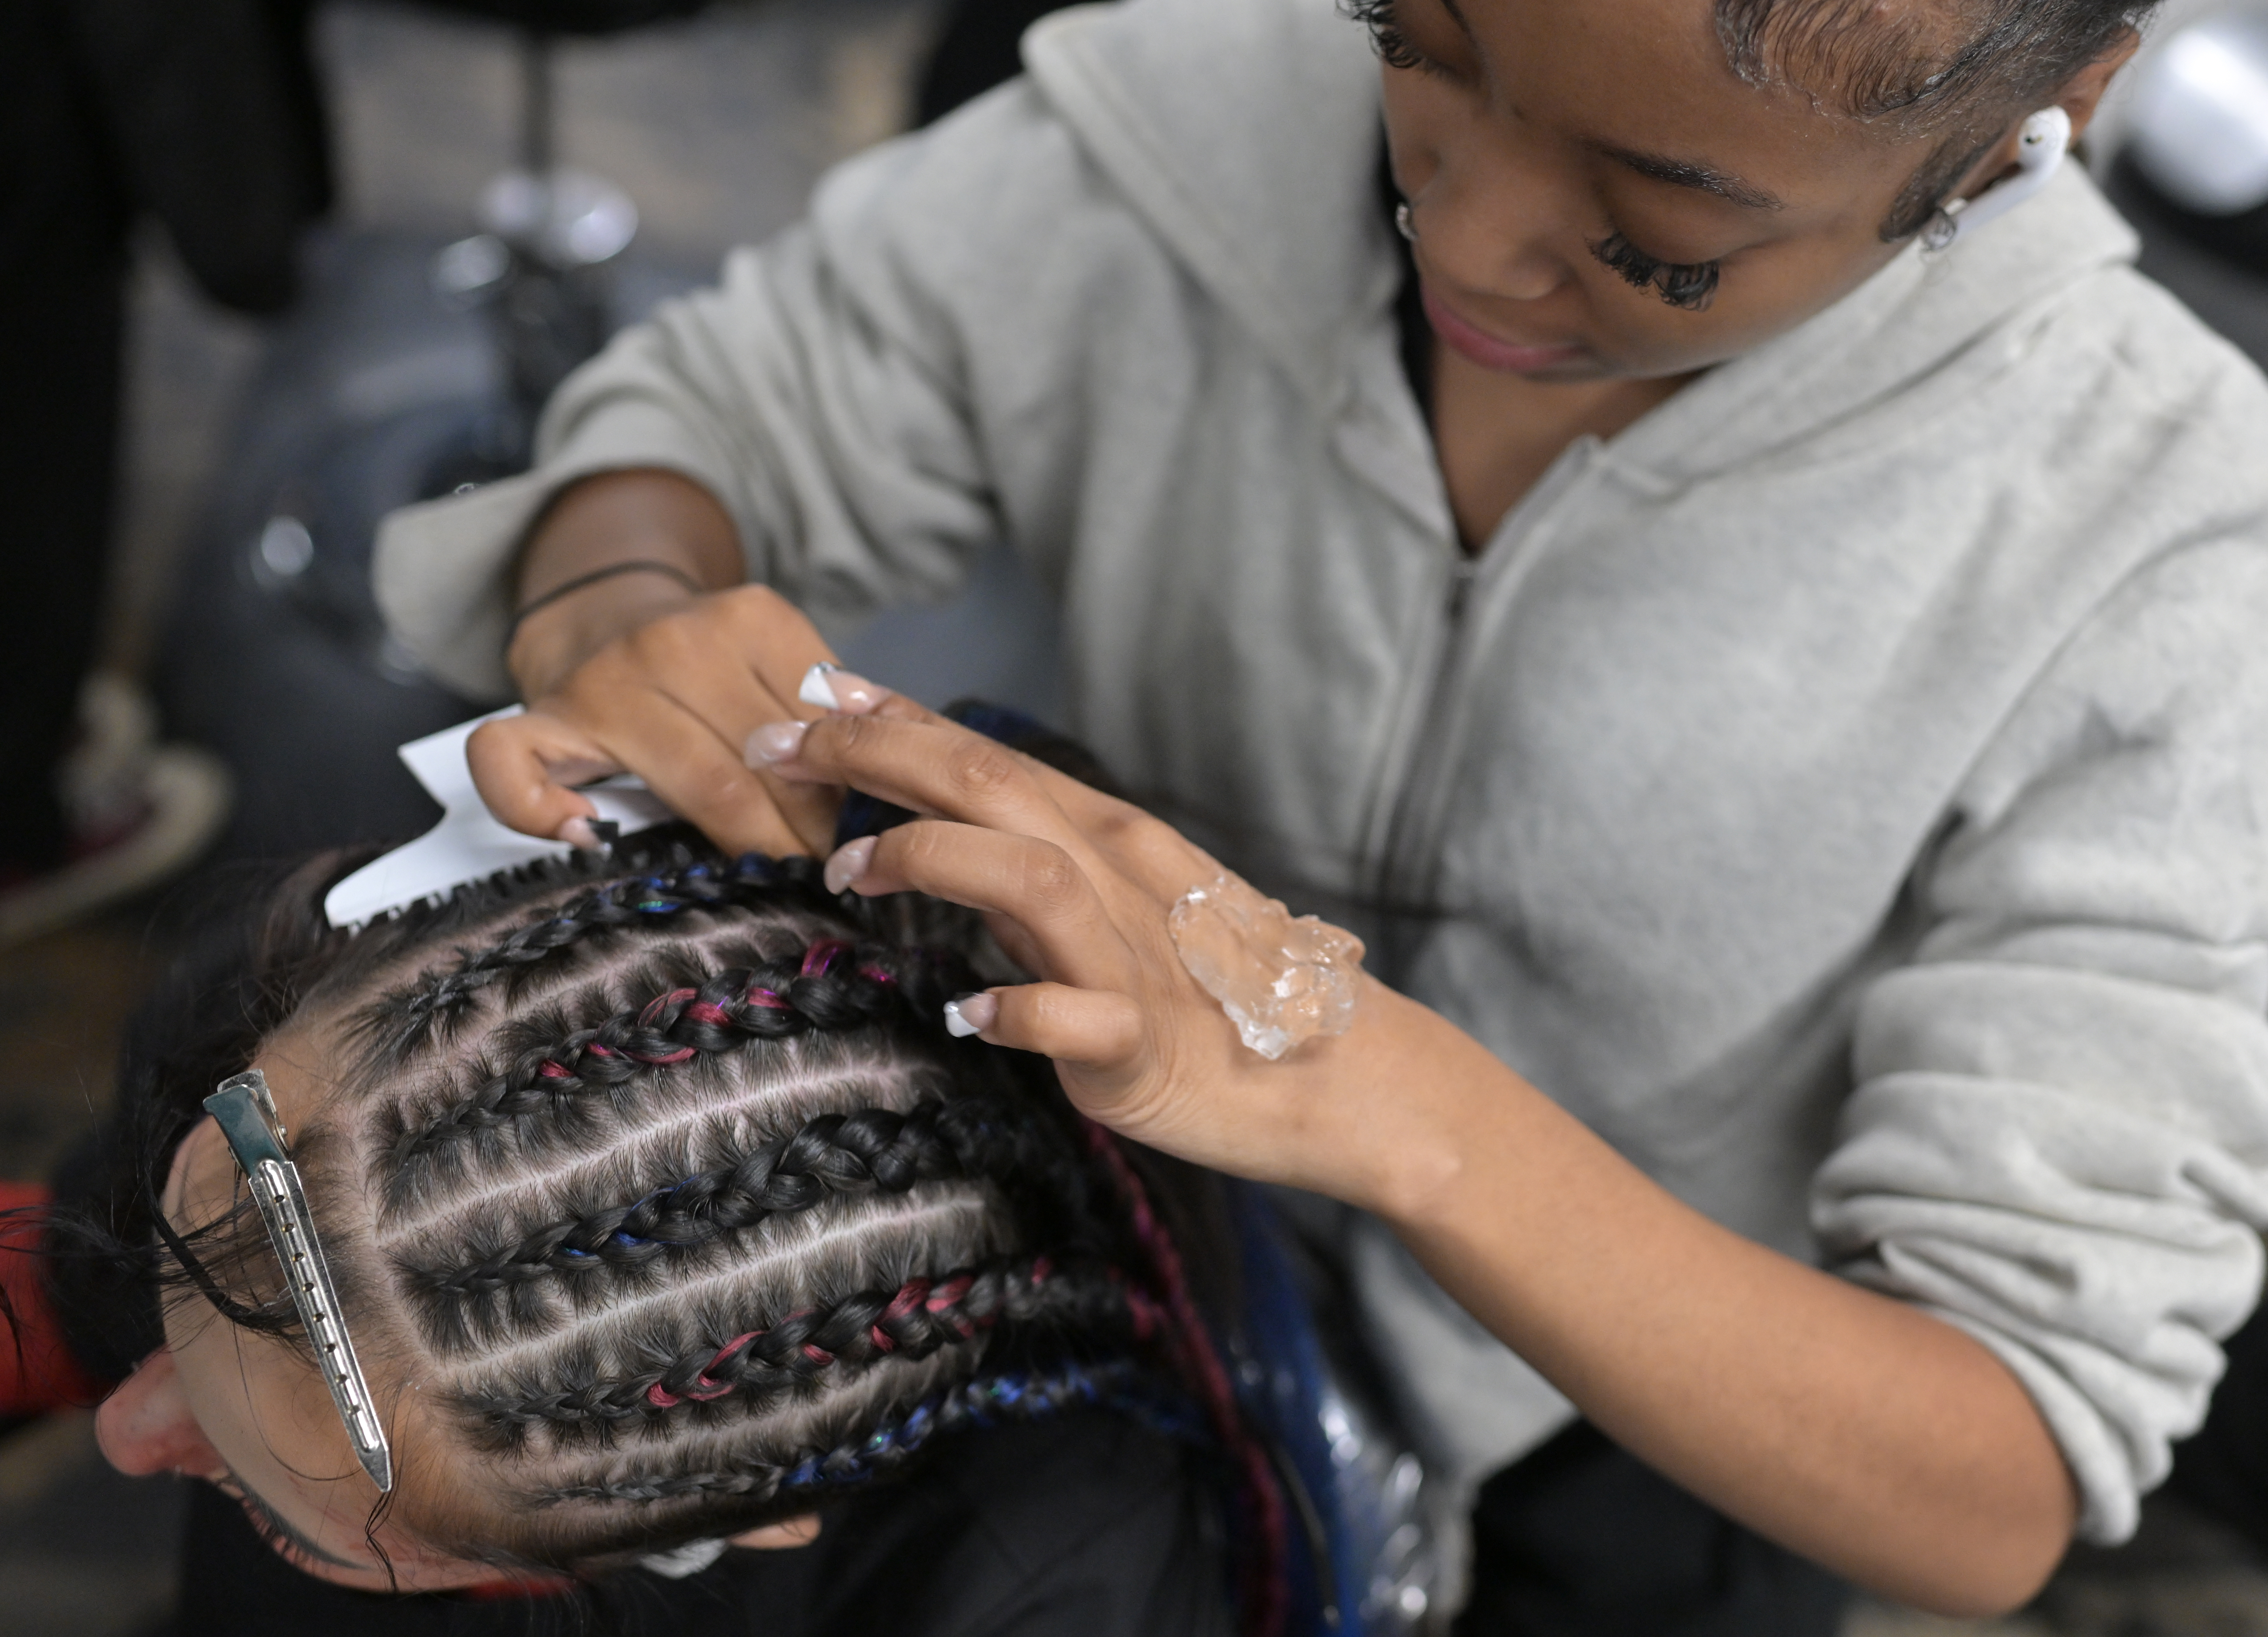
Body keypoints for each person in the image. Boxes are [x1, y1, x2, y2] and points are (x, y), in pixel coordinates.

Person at [368, 0, 2268, 1629]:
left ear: (2056, 103)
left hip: (1638, 1431)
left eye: (1660, 212)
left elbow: (1995, 1457)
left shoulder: (2167, 544)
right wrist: (625, 600)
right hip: (1087, 1250)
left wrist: (1385, 1102)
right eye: (1422, 51)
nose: (1467, 228)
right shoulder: (1185, 121)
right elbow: (724, 411)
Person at [3, 839, 1251, 1636]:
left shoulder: (1041, 1589)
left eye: (269, 1505)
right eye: (156, 1258)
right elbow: (53, 1290)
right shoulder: (241, 1060)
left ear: (732, 1521)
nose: (124, 1432)